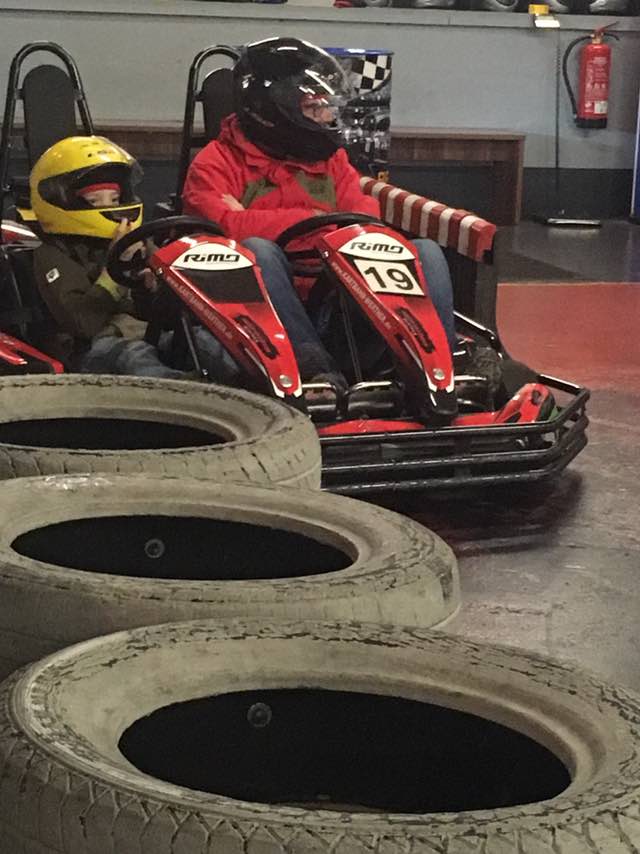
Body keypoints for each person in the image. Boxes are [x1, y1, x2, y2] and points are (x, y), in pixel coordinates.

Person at [182, 37, 458, 394]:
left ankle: (444, 367)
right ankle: (315, 372)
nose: (326, 117)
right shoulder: (215, 163)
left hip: (336, 303)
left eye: (325, 107)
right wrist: (317, 218)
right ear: (271, 111)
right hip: (264, 322)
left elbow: (362, 222)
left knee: (425, 251)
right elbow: (224, 231)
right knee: (259, 251)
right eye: (314, 109)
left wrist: (278, 222)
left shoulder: (332, 161)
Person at [29, 135, 239, 382]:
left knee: (204, 341)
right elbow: (84, 324)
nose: (110, 207)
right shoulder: (53, 253)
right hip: (89, 349)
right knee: (135, 354)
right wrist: (114, 270)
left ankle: (258, 390)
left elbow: (160, 312)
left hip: (144, 332)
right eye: (94, 201)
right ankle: (180, 394)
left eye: (115, 199)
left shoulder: (135, 240)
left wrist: (155, 287)